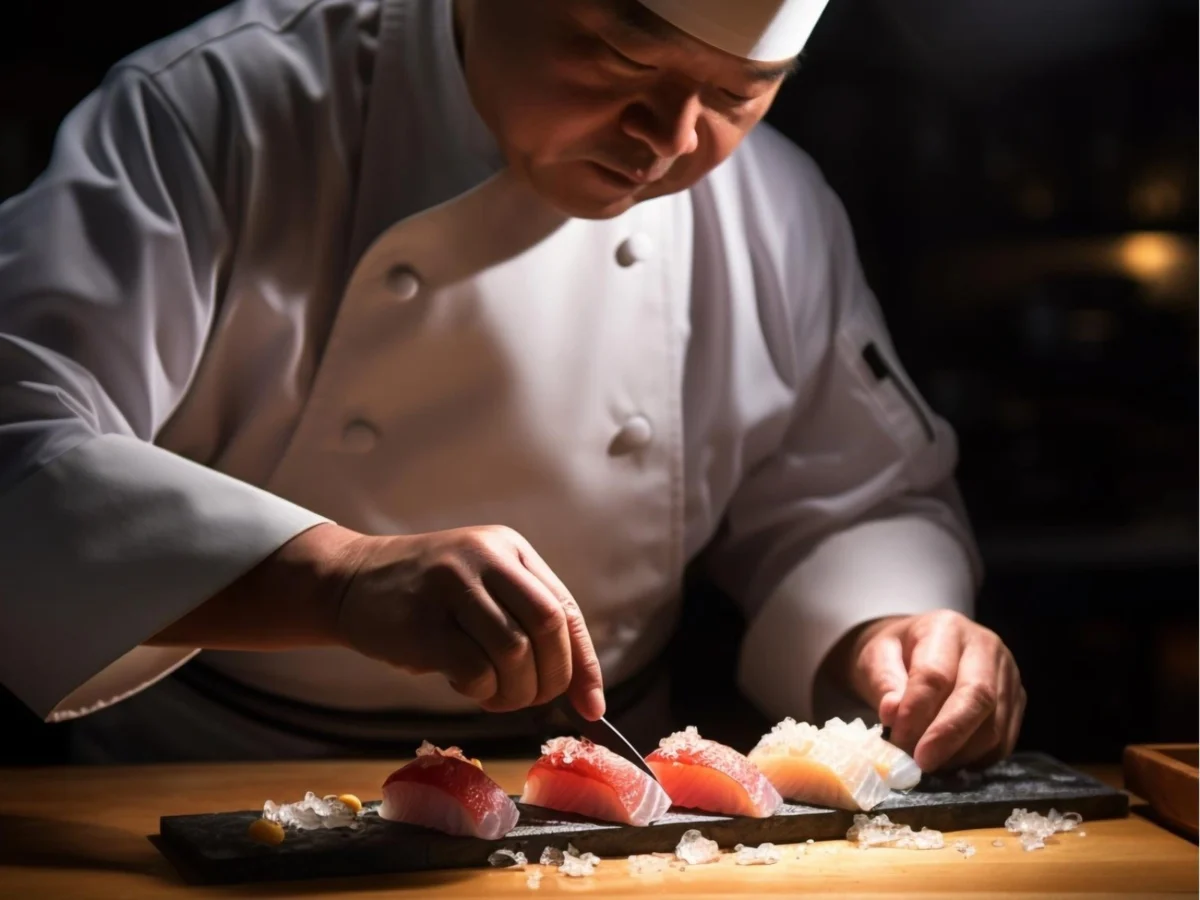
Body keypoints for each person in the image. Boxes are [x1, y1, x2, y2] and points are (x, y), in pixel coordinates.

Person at [0, 0, 1024, 768]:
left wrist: (889, 630)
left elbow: (852, 495)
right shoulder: (222, 110)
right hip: (210, 779)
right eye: (623, 57)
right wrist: (337, 577)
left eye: (735, 96)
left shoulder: (776, 208)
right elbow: (20, 442)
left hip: (603, 790)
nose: (671, 141)